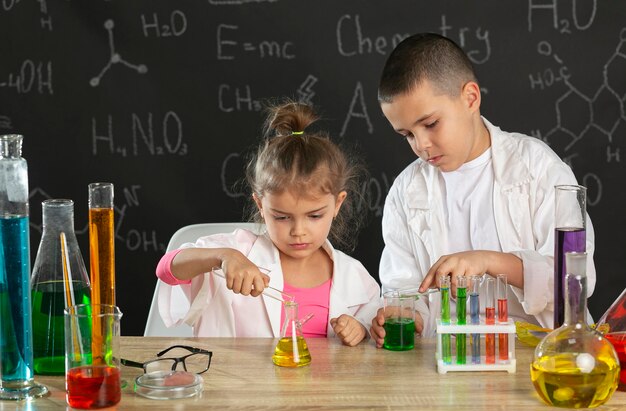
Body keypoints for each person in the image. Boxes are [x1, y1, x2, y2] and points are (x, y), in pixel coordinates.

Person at [370, 33, 596, 344]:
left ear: (470, 98)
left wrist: (488, 261)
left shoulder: (539, 169)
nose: (421, 144)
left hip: (539, 357)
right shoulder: (406, 193)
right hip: (450, 361)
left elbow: (576, 280)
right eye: (406, 134)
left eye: (431, 124)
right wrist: (405, 315)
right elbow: (404, 288)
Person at [157, 100, 381, 346]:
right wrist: (224, 256)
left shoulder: (354, 276)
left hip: (324, 385)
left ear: (337, 204)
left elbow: (372, 324)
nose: (298, 231)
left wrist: (359, 328)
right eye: (282, 217)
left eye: (314, 216)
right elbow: (167, 269)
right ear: (261, 205)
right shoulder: (240, 251)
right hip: (242, 384)